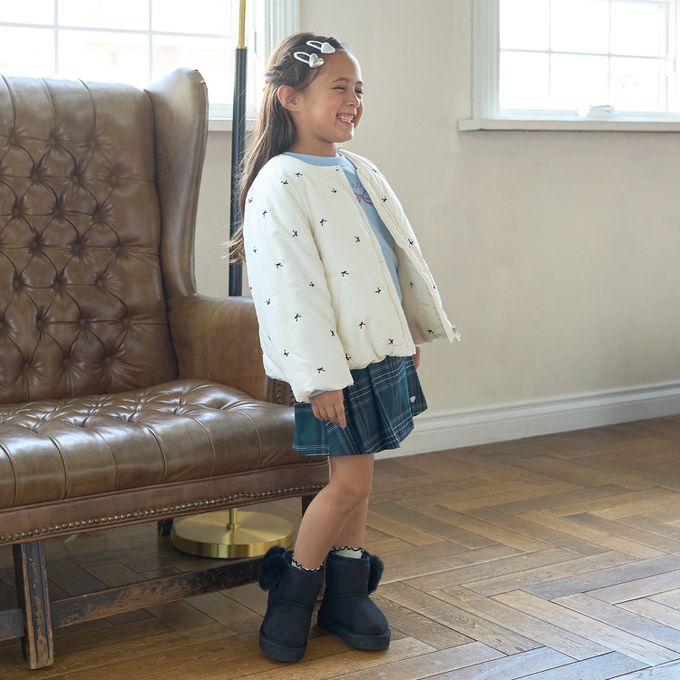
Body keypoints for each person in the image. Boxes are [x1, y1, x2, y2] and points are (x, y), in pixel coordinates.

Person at [226, 32, 461, 663]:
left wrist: (403, 331)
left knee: (359, 478)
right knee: (349, 484)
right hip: (334, 365)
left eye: (359, 89)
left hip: (377, 350)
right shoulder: (281, 181)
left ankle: (347, 593)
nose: (354, 100)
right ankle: (293, 593)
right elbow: (290, 288)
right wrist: (318, 376)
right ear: (290, 98)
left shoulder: (361, 170)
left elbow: (391, 260)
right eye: (339, 87)